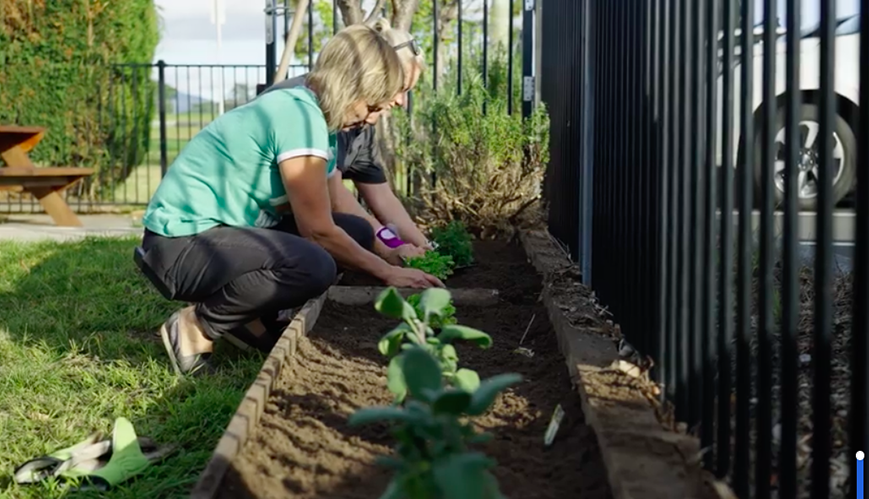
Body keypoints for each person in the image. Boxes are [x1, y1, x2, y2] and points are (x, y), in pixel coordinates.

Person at [137, 24, 444, 377]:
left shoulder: (317, 121)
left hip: (220, 237)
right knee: (315, 264)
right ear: (355, 87)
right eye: (375, 102)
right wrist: (388, 271)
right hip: (178, 247)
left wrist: (395, 248)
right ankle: (196, 326)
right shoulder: (297, 116)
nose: (379, 111)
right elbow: (317, 232)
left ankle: (247, 319)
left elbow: (334, 206)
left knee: (355, 231)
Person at [261, 19, 430, 267]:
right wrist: (390, 250)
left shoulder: (360, 122)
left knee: (357, 232)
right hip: (265, 220)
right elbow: (336, 198)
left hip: (288, 216)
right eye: (400, 87)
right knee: (353, 235)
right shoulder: (322, 109)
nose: (402, 101)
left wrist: (424, 246)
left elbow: (382, 197)